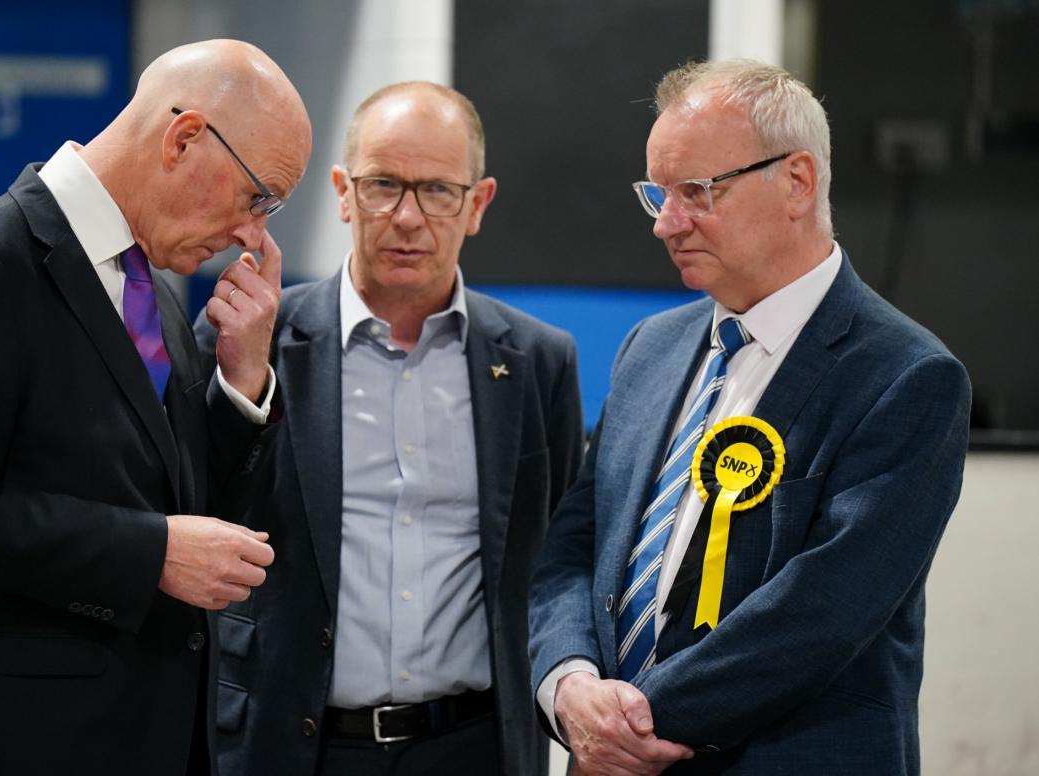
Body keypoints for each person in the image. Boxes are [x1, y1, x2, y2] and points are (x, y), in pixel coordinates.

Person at [0, 40, 311, 776]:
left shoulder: (153, 289)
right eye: (258, 197)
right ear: (184, 137)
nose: (253, 235)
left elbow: (182, 504)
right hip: (5, 744)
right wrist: (149, 551)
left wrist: (242, 381)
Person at [528, 59, 972, 775]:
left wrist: (623, 731)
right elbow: (575, 548)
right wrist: (569, 687)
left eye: (696, 192)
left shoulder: (905, 376)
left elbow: (818, 613)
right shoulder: (650, 348)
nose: (666, 223)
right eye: (657, 195)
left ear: (796, 182)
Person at [193, 81, 584, 775]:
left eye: (437, 190)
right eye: (382, 186)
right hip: (290, 744)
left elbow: (557, 557)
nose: (408, 217)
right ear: (343, 193)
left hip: (472, 747)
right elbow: (199, 508)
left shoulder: (535, 361)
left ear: (477, 204)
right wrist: (243, 380)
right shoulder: (257, 334)